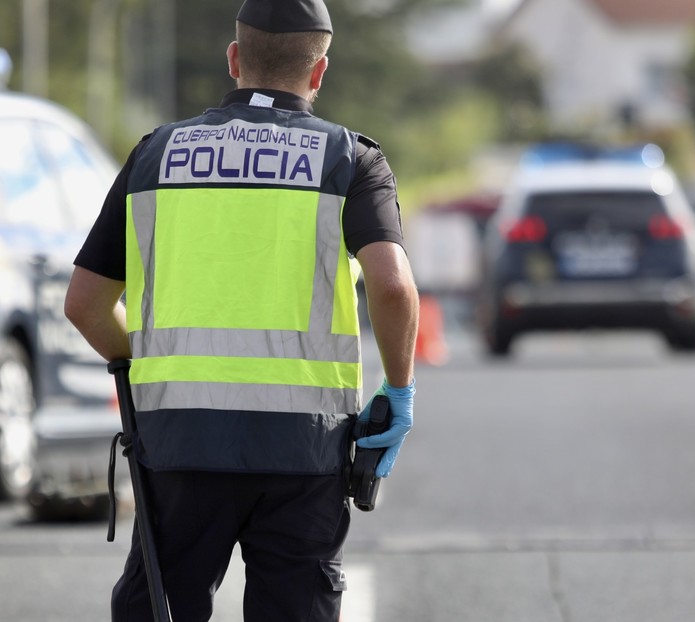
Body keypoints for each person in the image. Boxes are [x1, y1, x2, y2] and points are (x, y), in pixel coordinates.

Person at [64, 0, 418, 619]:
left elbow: (86, 304)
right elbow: (391, 288)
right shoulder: (350, 161)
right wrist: (400, 391)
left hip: (179, 440)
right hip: (303, 449)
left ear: (233, 60)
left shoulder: (155, 155)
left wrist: (143, 362)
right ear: (319, 72)